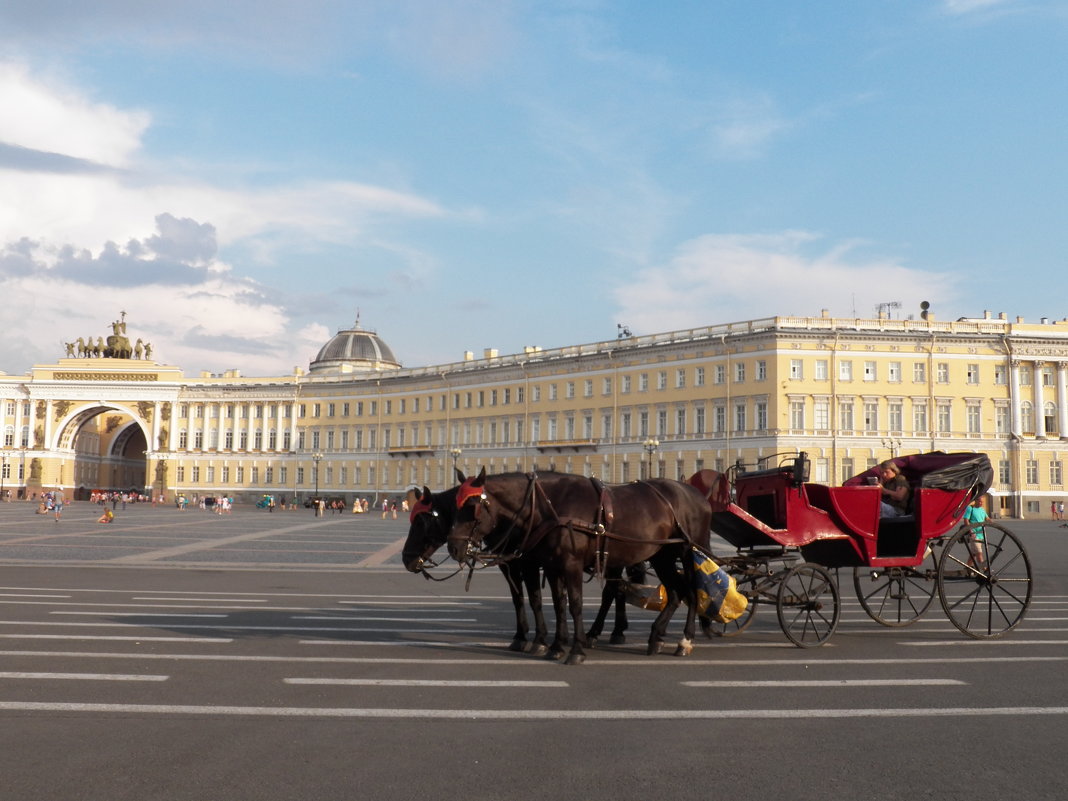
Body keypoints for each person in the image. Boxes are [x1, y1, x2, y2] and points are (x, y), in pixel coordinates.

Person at [962, 496, 988, 566]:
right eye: (980, 501)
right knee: (979, 553)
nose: (981, 503)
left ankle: (968, 568)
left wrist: (994, 524)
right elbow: (966, 520)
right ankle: (985, 570)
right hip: (974, 535)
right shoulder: (970, 508)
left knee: (973, 554)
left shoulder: (982, 510)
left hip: (981, 535)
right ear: (975, 500)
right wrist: (971, 531)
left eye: (982, 502)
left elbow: (987, 519)